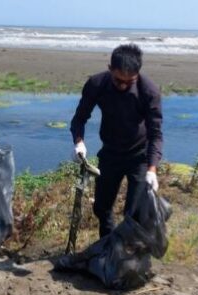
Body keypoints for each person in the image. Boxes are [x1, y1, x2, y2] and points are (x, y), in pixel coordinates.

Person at [70, 44, 163, 238]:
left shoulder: (149, 91)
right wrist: (79, 142)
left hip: (139, 155)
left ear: (137, 75)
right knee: (102, 208)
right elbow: (79, 118)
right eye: (118, 80)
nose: (122, 85)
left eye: (129, 82)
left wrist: (152, 170)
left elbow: (155, 133)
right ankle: (107, 249)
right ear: (110, 68)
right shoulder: (97, 84)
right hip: (110, 152)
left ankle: (128, 256)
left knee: (134, 213)